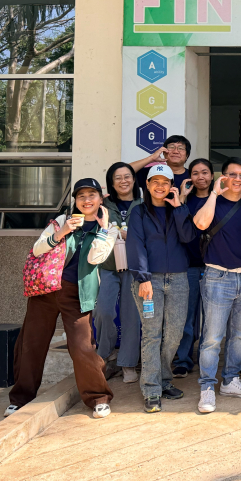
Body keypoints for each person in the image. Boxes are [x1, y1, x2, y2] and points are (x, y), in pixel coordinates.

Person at [6, 178, 117, 419]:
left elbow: (96, 258)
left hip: (77, 293)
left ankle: (98, 397)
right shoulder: (61, 221)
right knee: (31, 345)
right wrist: (62, 232)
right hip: (45, 291)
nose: (86, 200)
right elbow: (37, 249)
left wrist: (103, 229)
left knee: (82, 347)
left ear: (101, 199)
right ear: (75, 201)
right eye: (81, 196)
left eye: (92, 195)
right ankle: (20, 399)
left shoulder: (109, 228)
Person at [189, 157, 241, 413]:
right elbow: (200, 224)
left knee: (238, 335)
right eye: (233, 174)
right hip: (217, 277)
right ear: (223, 177)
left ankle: (230, 380)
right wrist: (214, 193)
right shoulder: (212, 203)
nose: (238, 179)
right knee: (212, 337)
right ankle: (207, 386)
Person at [126, 165, 195, 413]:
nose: (160, 186)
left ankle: (164, 380)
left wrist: (179, 207)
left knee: (174, 333)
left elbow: (188, 237)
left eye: (165, 182)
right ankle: (151, 389)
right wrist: (143, 278)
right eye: (155, 181)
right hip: (149, 281)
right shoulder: (139, 212)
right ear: (147, 184)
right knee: (152, 334)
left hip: (178, 278)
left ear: (171, 186)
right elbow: (136, 245)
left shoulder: (179, 210)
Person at [95, 162, 142, 384]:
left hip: (134, 267)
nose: (123, 181)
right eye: (118, 177)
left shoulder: (143, 204)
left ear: (134, 179)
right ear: (111, 183)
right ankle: (105, 355)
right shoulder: (103, 205)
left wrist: (125, 234)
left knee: (132, 315)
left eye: (127, 176)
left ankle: (128, 363)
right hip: (107, 266)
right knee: (103, 311)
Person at [173, 158, 214, 378]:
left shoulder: (218, 199)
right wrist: (181, 197)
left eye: (205, 172)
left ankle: (207, 360)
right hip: (187, 265)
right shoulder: (184, 201)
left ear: (212, 176)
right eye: (196, 173)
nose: (201, 177)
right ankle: (183, 359)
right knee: (186, 317)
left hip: (213, 266)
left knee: (210, 319)